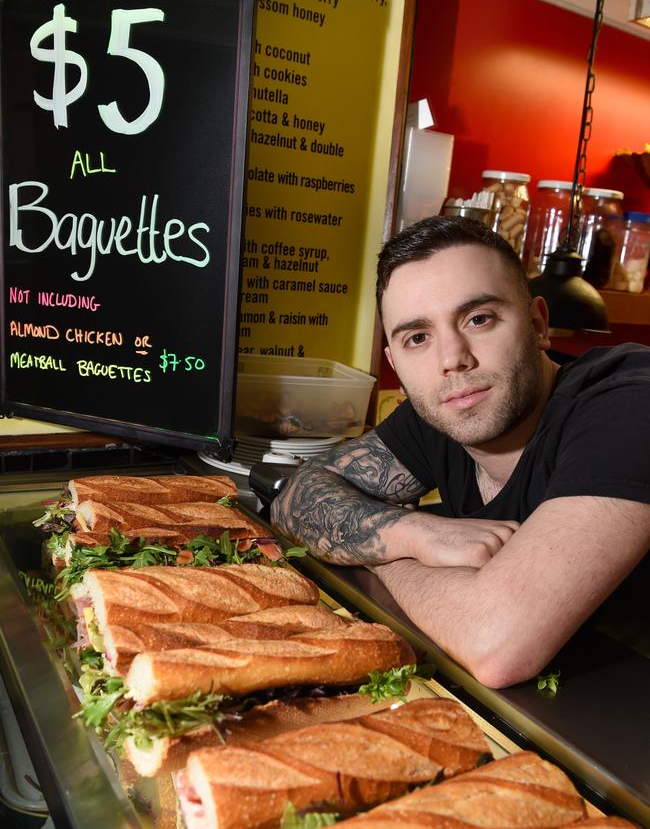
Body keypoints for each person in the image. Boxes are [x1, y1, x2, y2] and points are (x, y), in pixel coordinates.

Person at [270, 216, 650, 689]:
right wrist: (413, 532)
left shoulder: (627, 403)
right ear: (396, 363)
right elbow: (294, 496)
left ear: (537, 325)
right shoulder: (446, 406)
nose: (452, 358)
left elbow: (495, 645)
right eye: (417, 338)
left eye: (479, 319)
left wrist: (377, 552)